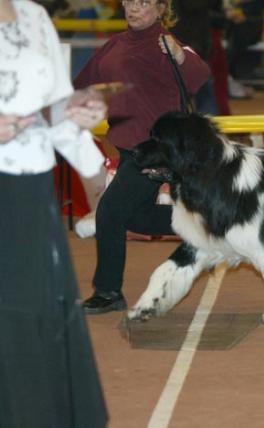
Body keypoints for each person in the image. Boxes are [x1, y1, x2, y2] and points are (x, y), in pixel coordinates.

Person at [0, 0, 108, 425]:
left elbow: (57, 106)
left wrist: (96, 172)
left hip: (31, 192)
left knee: (39, 314)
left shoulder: (33, 15)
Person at [74, 0, 210, 314]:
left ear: (161, 9)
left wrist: (179, 54)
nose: (134, 8)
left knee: (109, 212)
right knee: (133, 216)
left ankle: (108, 292)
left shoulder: (167, 44)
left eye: (144, 2)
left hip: (156, 151)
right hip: (127, 148)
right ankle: (207, 224)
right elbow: (81, 85)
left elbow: (197, 76)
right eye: (130, 1)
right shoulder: (115, 45)